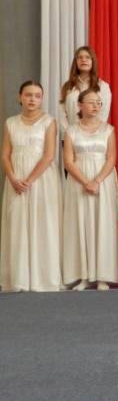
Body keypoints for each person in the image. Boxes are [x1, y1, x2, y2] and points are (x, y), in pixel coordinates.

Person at [0, 81, 63, 292]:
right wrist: (13, 178)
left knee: (42, 222)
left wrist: (29, 179)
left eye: (37, 95)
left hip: (41, 179)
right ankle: (18, 277)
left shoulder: (49, 122)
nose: (32, 99)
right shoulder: (10, 122)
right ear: (20, 97)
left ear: (41, 99)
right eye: (28, 95)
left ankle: (42, 276)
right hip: (15, 178)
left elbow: (49, 154)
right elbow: (5, 154)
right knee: (17, 223)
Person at [62, 89, 118, 290]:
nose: (96, 106)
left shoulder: (108, 130)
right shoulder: (71, 131)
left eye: (98, 102)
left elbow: (111, 159)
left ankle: (103, 275)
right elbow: (68, 161)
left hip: (103, 180)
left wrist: (96, 181)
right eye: (91, 102)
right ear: (80, 105)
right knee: (80, 223)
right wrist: (85, 181)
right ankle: (83, 276)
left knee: (102, 224)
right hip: (77, 181)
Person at [58, 46, 112, 133]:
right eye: (80, 57)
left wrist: (92, 134)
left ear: (93, 61)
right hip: (70, 136)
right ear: (76, 62)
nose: (83, 60)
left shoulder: (103, 87)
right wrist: (68, 135)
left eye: (87, 57)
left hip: (95, 136)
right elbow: (61, 115)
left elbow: (103, 114)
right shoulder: (66, 87)